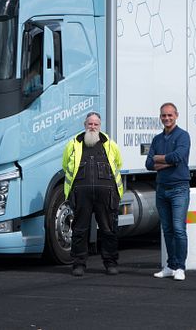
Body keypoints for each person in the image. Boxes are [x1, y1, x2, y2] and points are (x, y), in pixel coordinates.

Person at [62, 112, 124, 276]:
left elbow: (118, 163)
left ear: (100, 126)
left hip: (106, 195)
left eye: (96, 124)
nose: (93, 127)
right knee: (80, 230)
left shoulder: (110, 144)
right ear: (85, 125)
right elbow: (65, 165)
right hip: (81, 195)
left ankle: (110, 263)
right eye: (90, 124)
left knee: (108, 229)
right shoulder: (73, 144)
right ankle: (79, 264)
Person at [145, 102, 191, 281]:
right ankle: (170, 265)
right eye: (163, 115)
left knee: (179, 229)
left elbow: (179, 157)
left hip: (179, 188)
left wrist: (159, 159)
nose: (166, 118)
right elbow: (149, 164)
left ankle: (180, 267)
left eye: (170, 115)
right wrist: (168, 161)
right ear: (160, 117)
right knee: (167, 230)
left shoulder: (183, 136)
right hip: (162, 189)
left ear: (176, 115)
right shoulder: (157, 139)